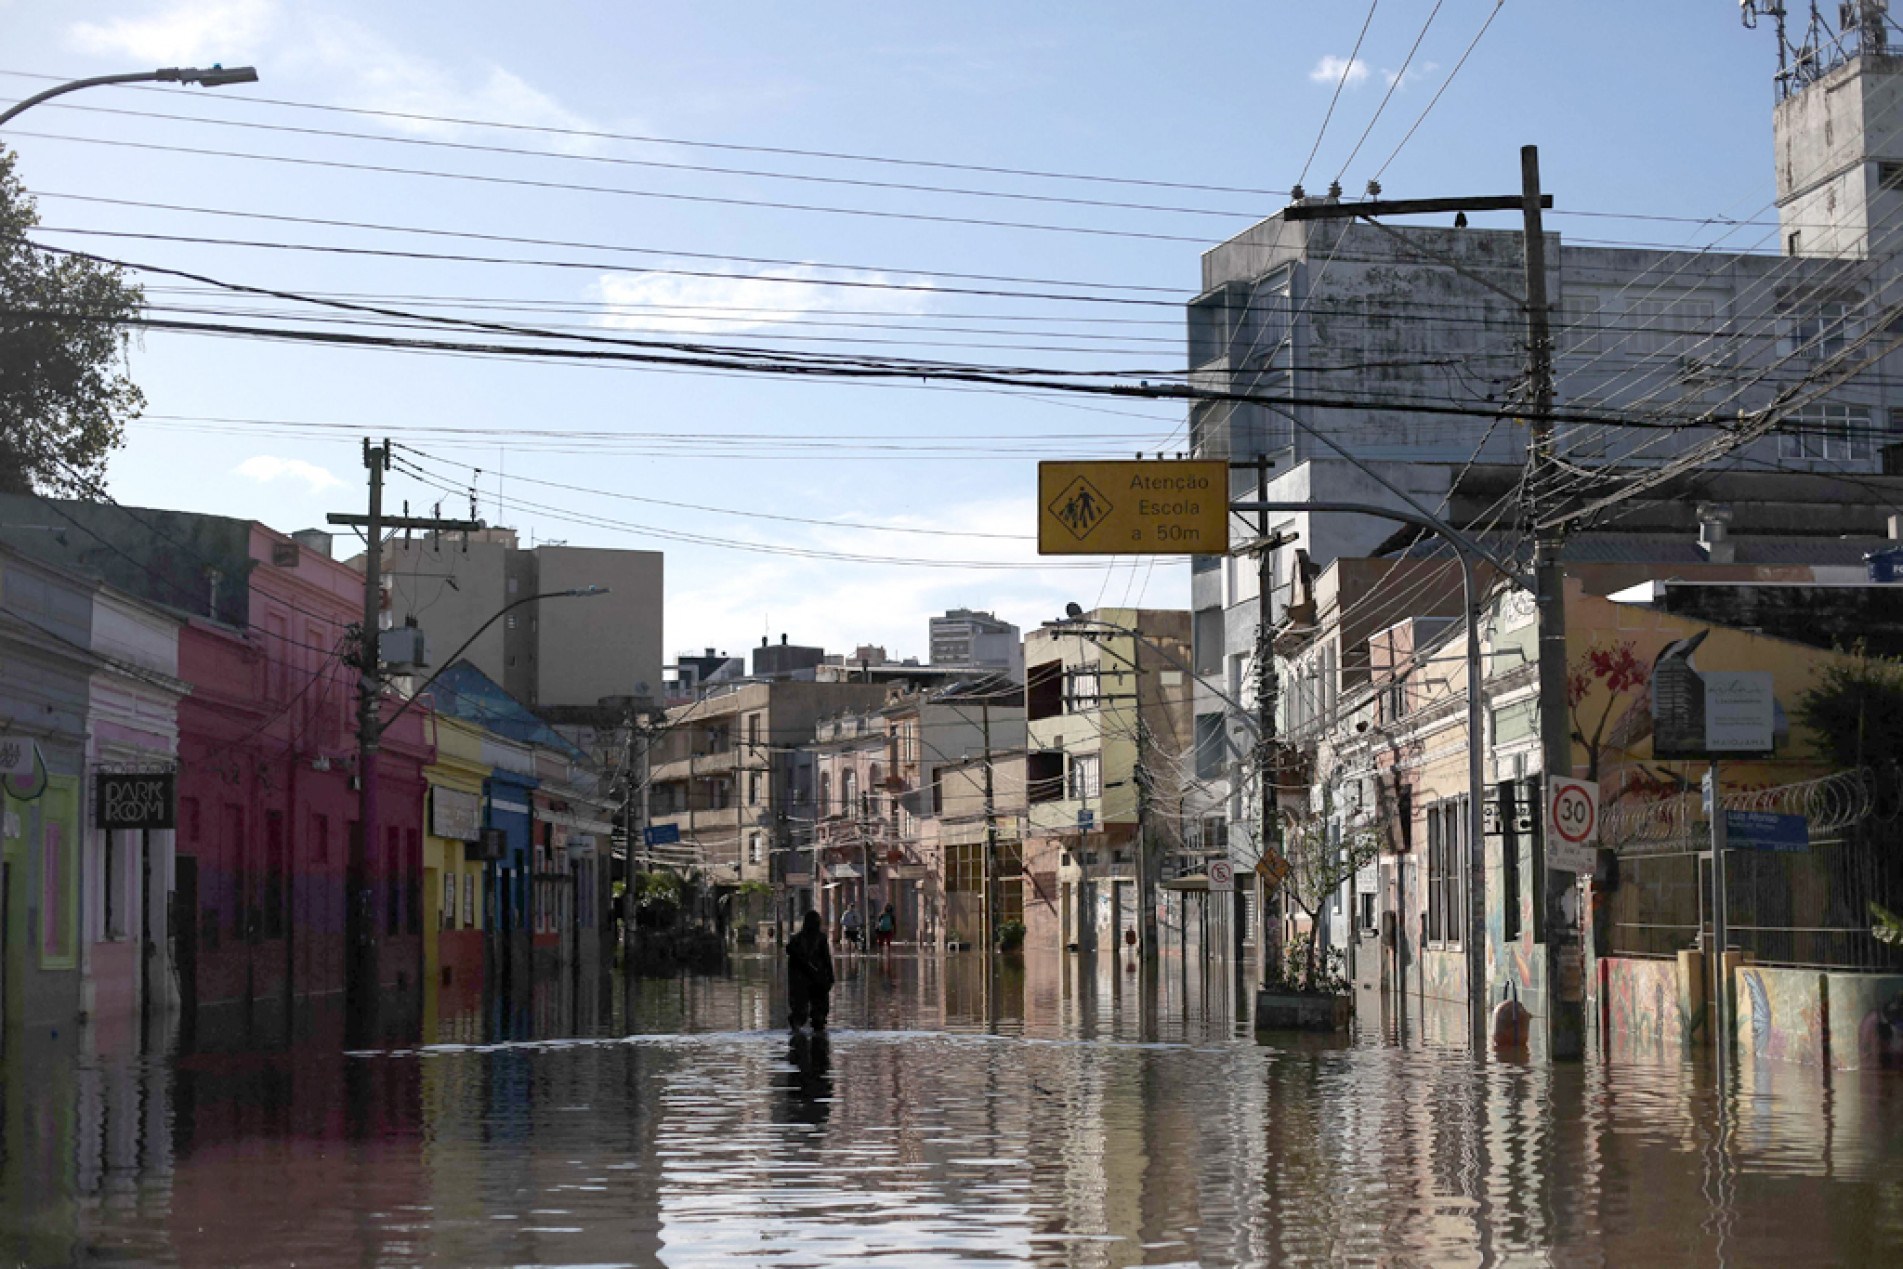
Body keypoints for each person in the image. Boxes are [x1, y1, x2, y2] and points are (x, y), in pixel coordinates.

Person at [786, 909, 836, 1031]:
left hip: (811, 979)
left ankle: (803, 1029)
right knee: (806, 1012)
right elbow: (826, 960)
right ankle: (802, 1030)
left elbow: (826, 959)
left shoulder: (801, 939)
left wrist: (829, 977)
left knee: (813, 1012)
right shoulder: (800, 940)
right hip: (808, 979)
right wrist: (829, 976)